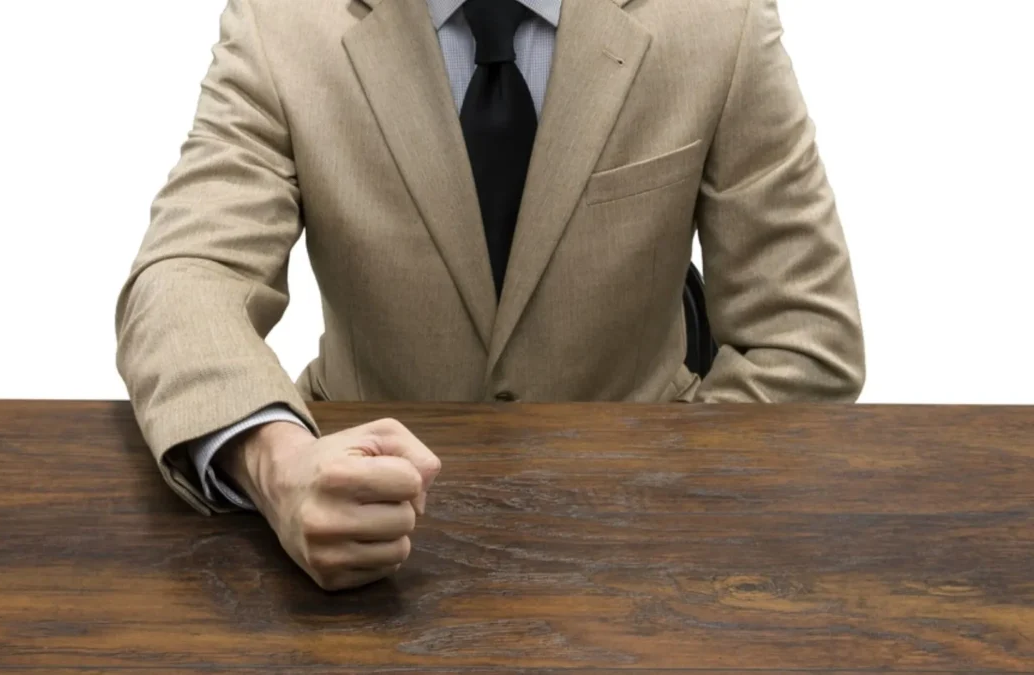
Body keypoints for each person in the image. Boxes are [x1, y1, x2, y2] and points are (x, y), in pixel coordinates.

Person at [116, 0, 865, 591]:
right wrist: (281, 467)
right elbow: (184, 277)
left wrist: (664, 515)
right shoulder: (284, 21)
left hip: (647, 553)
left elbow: (804, 337)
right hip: (362, 551)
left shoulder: (716, 17)